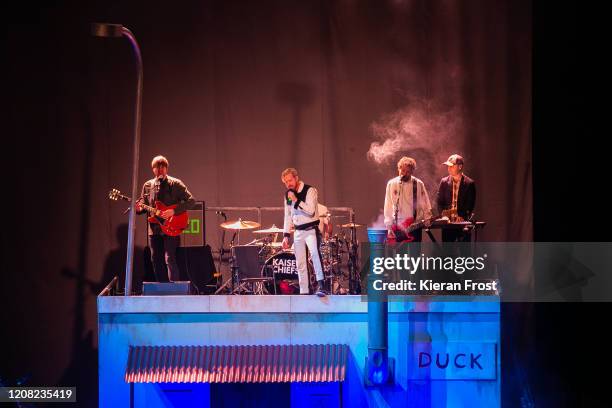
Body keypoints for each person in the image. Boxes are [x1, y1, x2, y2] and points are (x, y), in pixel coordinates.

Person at [136, 155, 196, 282]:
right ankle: (161, 288)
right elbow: (142, 205)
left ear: (166, 168)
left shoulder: (175, 183)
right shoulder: (148, 185)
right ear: (153, 169)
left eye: (163, 167)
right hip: (154, 228)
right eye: (158, 167)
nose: (160, 169)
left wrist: (173, 211)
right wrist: (138, 208)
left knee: (170, 258)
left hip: (172, 226)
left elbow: (191, 201)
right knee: (155, 259)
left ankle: (173, 290)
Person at [281, 168, 327, 296]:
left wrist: (296, 200)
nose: (288, 184)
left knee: (315, 255)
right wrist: (285, 236)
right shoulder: (288, 195)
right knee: (300, 262)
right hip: (298, 231)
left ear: (296, 178)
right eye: (285, 182)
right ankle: (304, 291)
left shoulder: (309, 190)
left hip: (311, 229)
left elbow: (311, 211)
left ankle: (321, 285)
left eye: (290, 180)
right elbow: (287, 215)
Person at [383, 156, 433, 242]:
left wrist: (427, 218)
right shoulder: (391, 184)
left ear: (412, 171)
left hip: (414, 226)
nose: (404, 174)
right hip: (398, 227)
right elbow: (388, 206)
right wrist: (389, 227)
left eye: (408, 172)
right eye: (402, 171)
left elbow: (425, 203)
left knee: (415, 254)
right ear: (399, 169)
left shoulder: (418, 184)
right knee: (400, 255)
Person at [436, 154, 476, 242]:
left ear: (460, 166)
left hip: (463, 224)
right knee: (447, 252)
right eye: (448, 166)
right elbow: (439, 202)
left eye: (451, 166)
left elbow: (470, 204)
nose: (449, 168)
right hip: (448, 224)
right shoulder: (444, 182)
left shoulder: (469, 183)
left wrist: (462, 216)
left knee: (464, 252)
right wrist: (444, 216)